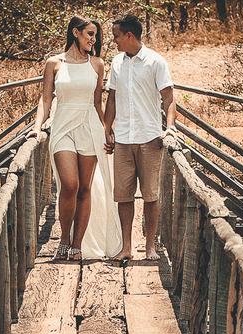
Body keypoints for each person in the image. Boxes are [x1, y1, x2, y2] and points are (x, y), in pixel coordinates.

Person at [29, 15, 122, 262]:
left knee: (85, 187)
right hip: (63, 125)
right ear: (75, 32)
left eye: (96, 35)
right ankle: (64, 240)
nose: (94, 39)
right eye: (90, 34)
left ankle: (77, 245)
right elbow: (45, 99)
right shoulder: (54, 63)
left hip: (89, 125)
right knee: (69, 184)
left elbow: (97, 103)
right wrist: (38, 127)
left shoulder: (97, 64)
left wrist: (107, 128)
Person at [104, 13, 176, 262]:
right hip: (123, 138)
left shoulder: (156, 62)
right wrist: (107, 127)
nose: (114, 42)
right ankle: (126, 247)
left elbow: (169, 98)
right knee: (123, 195)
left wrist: (170, 128)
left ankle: (150, 247)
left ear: (129, 35)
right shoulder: (116, 63)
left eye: (116, 37)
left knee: (150, 195)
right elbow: (111, 98)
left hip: (149, 137)